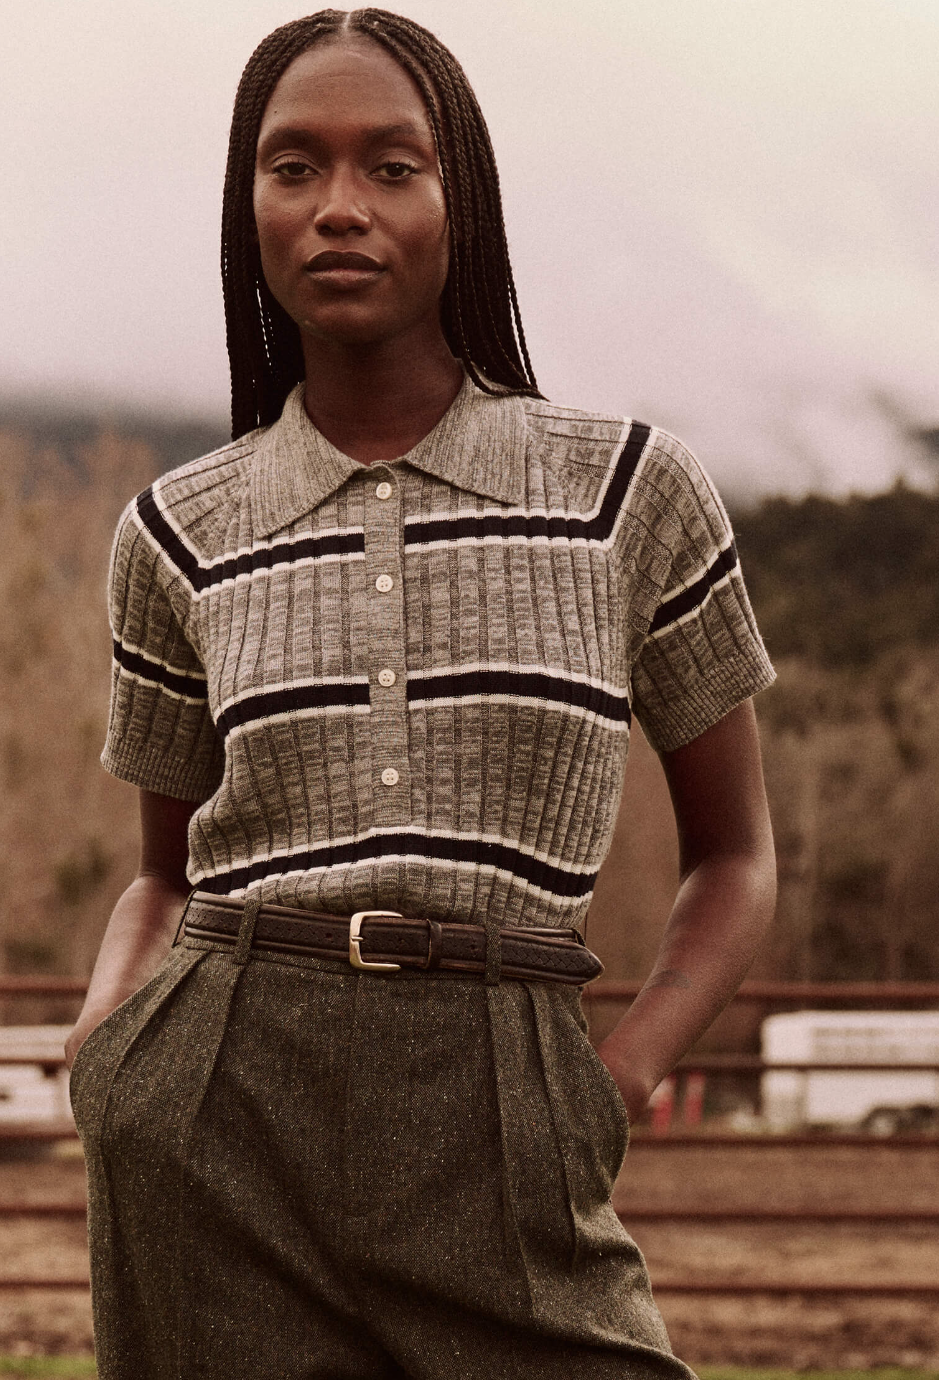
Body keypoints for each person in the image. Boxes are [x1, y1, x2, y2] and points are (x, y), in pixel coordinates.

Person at [65, 8, 777, 1377]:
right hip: (215, 1105)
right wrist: (107, 1052)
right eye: (294, 167)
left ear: (464, 203)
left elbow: (737, 856)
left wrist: (611, 1080)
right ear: (248, 206)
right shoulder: (178, 530)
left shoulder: (626, 492)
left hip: (503, 1096)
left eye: (391, 166)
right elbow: (160, 877)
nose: (340, 207)